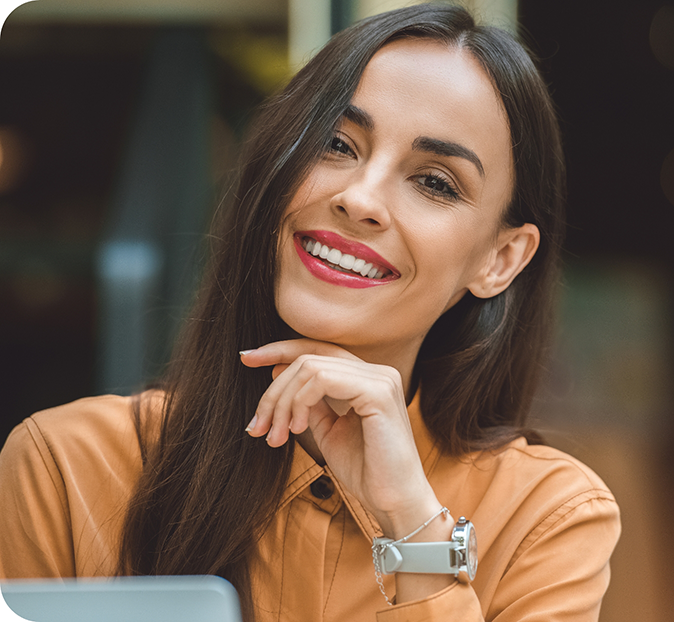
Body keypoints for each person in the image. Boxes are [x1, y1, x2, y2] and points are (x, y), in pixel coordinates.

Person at [0, 3, 620, 620]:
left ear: (500, 259)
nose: (359, 198)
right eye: (335, 143)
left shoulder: (548, 516)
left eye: (435, 181)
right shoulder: (64, 469)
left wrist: (412, 524)